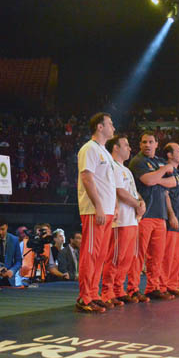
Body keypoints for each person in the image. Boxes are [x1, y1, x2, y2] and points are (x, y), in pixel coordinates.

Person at [76, 112, 116, 313]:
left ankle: (93, 293)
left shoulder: (105, 152)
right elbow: (87, 178)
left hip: (107, 210)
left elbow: (108, 183)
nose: (113, 128)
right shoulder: (89, 149)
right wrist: (98, 206)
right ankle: (84, 297)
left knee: (100, 255)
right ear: (100, 127)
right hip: (94, 210)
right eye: (110, 124)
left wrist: (113, 207)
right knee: (90, 253)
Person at [128, 132, 176, 301]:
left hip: (160, 214)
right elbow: (147, 181)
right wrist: (162, 172)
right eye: (143, 142)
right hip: (144, 214)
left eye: (150, 142)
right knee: (138, 254)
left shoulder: (160, 161)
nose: (147, 145)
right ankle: (133, 288)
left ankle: (152, 287)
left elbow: (174, 182)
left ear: (156, 143)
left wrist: (157, 178)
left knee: (157, 255)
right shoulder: (138, 161)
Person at [100, 135, 144, 305]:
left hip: (132, 219)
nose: (130, 148)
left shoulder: (126, 169)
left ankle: (118, 289)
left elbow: (133, 191)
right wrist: (137, 204)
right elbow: (119, 191)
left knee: (127, 259)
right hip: (121, 220)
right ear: (116, 148)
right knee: (116, 257)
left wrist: (141, 202)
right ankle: (107, 292)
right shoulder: (113, 167)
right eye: (126, 145)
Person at [162, 143, 179, 297]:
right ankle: (163, 285)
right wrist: (171, 214)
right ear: (170, 155)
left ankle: (172, 284)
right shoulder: (165, 171)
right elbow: (165, 194)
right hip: (172, 219)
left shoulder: (177, 172)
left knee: (177, 255)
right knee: (168, 255)